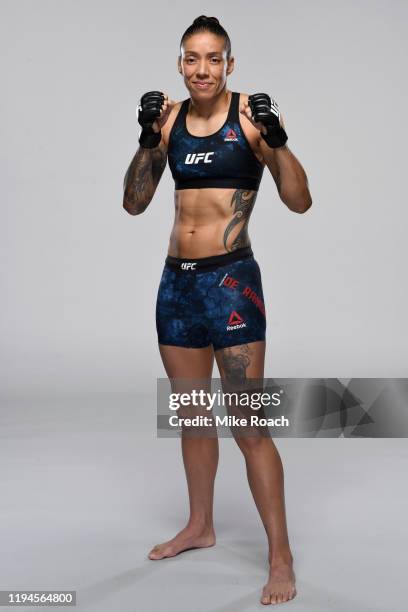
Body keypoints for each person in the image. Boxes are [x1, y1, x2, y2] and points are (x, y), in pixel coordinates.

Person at [123, 15, 312, 606]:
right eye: (191, 58)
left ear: (229, 63)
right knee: (192, 416)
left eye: (212, 58)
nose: (201, 69)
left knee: (248, 426)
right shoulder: (170, 119)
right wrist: (146, 139)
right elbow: (133, 203)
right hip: (175, 287)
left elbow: (301, 201)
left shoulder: (250, 119)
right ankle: (200, 525)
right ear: (180, 63)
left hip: (231, 285)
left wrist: (279, 143)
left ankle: (280, 555)